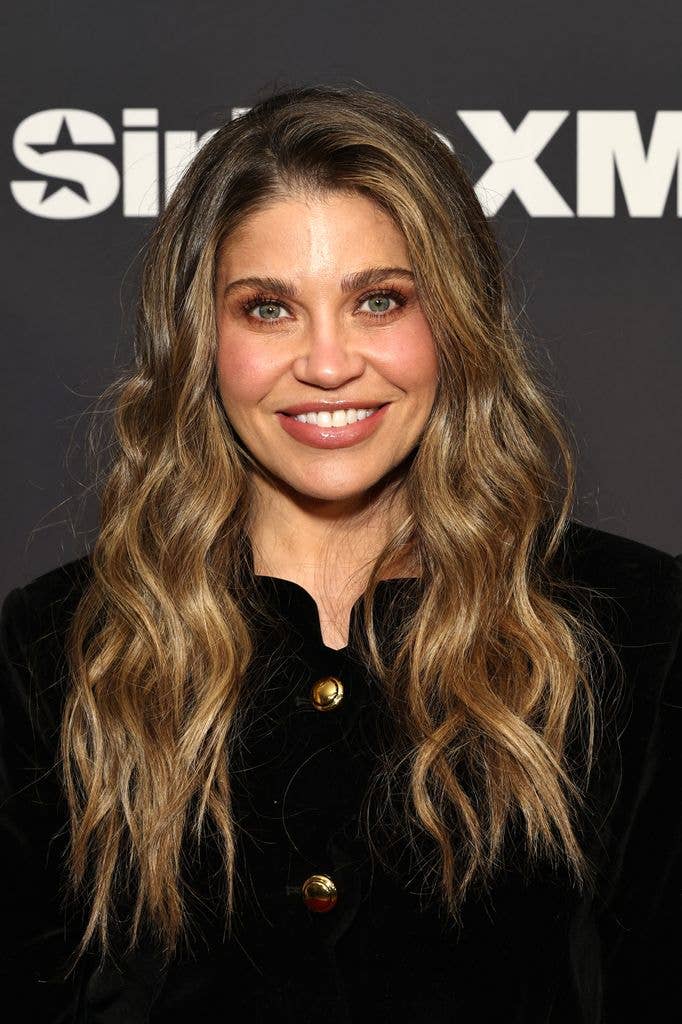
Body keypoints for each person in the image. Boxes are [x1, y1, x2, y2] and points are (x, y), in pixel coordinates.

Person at [1, 83, 680, 1024]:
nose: (327, 362)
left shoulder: (636, 626)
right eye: (269, 309)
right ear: (202, 338)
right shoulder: (55, 648)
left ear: (456, 323)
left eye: (379, 301)